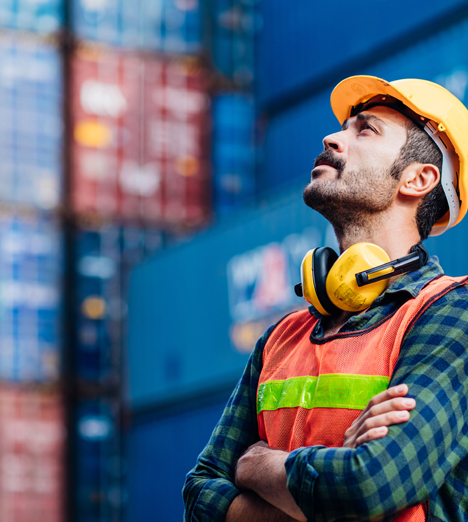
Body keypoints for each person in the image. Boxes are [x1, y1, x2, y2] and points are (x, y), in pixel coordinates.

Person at [183, 75, 468, 522]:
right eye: (343, 127)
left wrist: (257, 467)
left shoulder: (453, 313)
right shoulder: (281, 337)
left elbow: (372, 484)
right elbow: (198, 496)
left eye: (365, 130)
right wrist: (324, 494)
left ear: (418, 178)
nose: (332, 137)